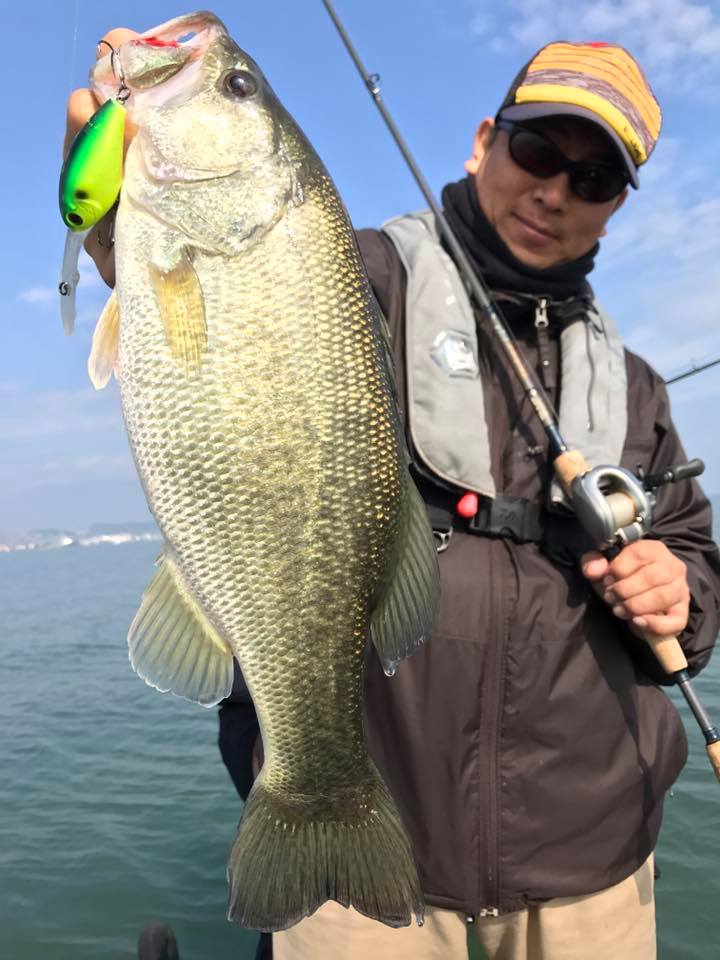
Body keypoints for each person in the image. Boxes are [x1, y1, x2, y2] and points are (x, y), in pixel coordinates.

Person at [66, 34, 720, 960]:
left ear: (615, 206)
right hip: (379, 840)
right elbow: (170, 287)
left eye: (594, 178)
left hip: (593, 854)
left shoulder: (637, 386)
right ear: (485, 141)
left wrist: (682, 595)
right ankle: (314, 794)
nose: (554, 192)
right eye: (538, 150)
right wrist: (108, 213)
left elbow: (692, 550)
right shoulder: (353, 268)